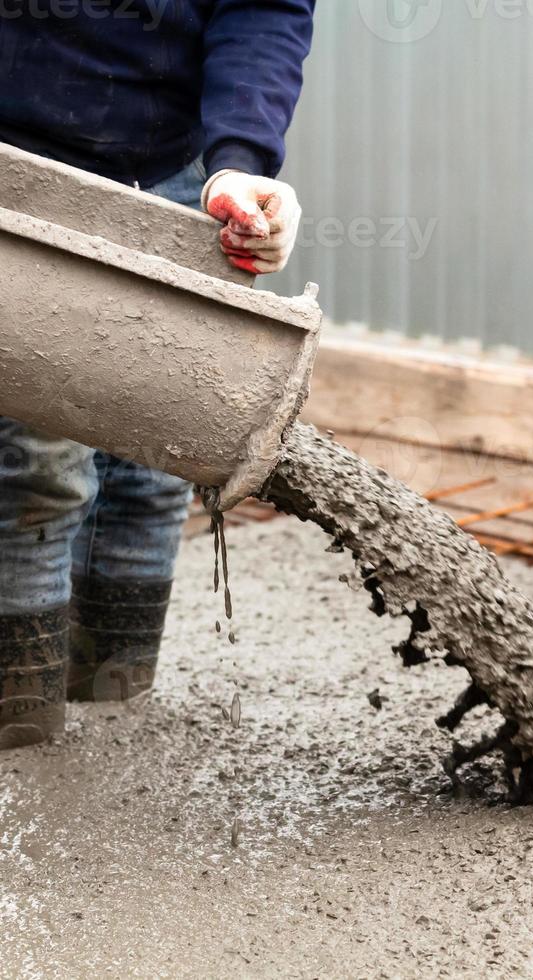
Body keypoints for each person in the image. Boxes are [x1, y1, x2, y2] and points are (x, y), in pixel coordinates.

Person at [0, 1, 315, 749]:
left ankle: (111, 723)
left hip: (168, 174)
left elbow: (261, 8)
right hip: (16, 166)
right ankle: (23, 739)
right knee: (37, 469)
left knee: (154, 467)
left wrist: (240, 158)